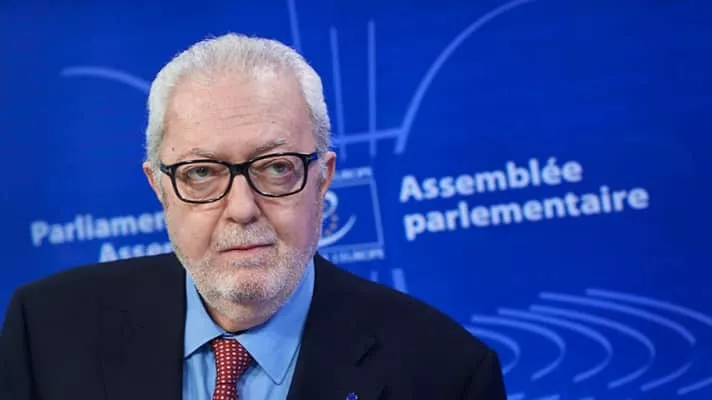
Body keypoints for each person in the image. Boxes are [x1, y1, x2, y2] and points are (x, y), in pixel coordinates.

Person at [0, 33, 507, 399]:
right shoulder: (46, 331)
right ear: (160, 188)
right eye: (202, 173)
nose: (241, 209)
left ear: (323, 179)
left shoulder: (447, 374)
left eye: (276, 167)